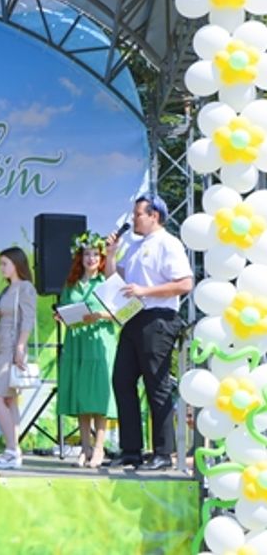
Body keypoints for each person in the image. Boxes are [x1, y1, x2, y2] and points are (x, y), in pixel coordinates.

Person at [106, 194, 193, 471]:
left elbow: (185, 284)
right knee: (122, 380)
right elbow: (114, 279)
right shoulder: (135, 246)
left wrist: (145, 290)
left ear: (154, 215)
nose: (133, 220)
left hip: (158, 318)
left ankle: (163, 453)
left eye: (138, 215)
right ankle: (131, 450)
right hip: (133, 317)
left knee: (157, 384)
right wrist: (111, 254)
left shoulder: (168, 243)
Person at [57, 232, 118, 469]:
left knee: (99, 394)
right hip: (77, 341)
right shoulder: (71, 284)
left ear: (101, 258)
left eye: (95, 254)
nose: (91, 259)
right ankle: (85, 447)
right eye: (86, 254)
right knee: (82, 395)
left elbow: (122, 311)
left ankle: (99, 447)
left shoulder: (106, 282)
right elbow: (64, 308)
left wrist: (99, 315)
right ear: (80, 258)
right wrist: (61, 316)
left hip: (100, 340)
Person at [0, 247, 37, 470]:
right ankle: (13, 449)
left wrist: (20, 346)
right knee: (9, 400)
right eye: (0, 263)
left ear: (17, 264)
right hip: (1, 347)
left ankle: (12, 449)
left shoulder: (25, 288)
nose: (1, 268)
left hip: (11, 348)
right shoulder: (7, 289)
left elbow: (28, 319)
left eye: (5, 263)